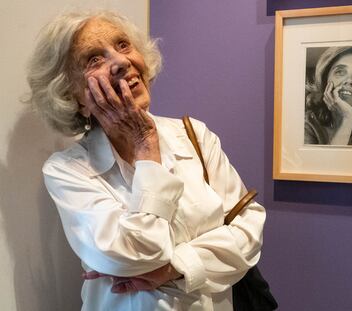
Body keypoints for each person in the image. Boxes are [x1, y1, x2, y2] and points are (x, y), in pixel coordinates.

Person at [26, 11, 265, 311]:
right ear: (73, 97)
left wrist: (177, 266)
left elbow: (249, 229)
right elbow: (138, 254)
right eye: (94, 59)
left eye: (123, 45)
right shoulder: (67, 170)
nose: (121, 62)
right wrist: (146, 147)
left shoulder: (195, 136)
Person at [304, 46, 352, 146]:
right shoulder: (308, 124)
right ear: (326, 79)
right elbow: (330, 161)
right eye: (340, 72)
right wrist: (347, 120)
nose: (349, 81)